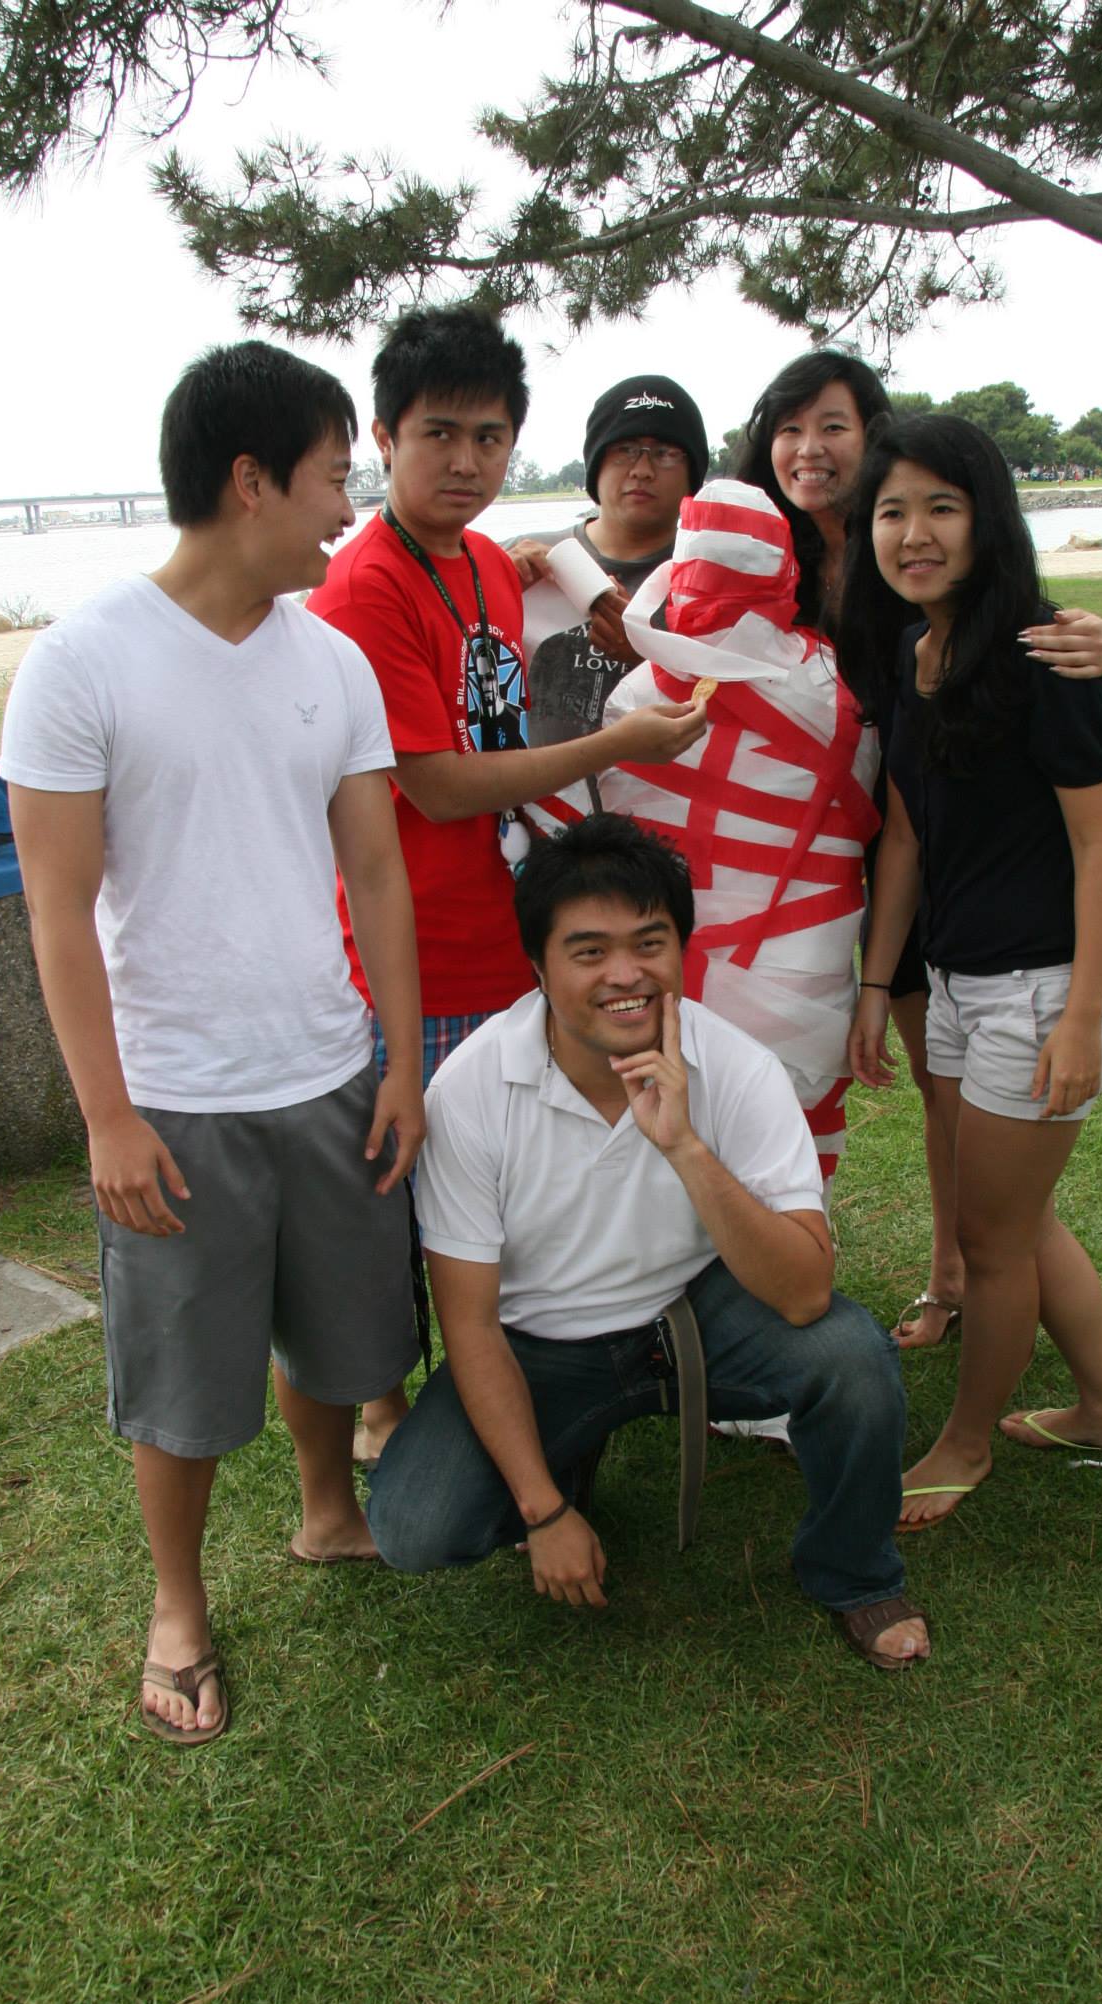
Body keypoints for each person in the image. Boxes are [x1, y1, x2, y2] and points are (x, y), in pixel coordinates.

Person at [0, 340, 426, 1744]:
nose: (347, 509)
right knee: (181, 1381)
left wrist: (401, 1063)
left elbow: (376, 872)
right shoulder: (81, 664)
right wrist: (107, 1117)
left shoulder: (331, 660)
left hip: (329, 1068)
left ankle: (326, 1510)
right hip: (175, 1096)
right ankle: (177, 1606)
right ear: (251, 481)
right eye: (331, 479)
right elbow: (59, 914)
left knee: (340, 1333)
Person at [368, 813, 930, 1671]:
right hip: (540, 1343)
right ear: (538, 965)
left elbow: (805, 1293)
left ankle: (855, 1572)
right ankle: (563, 1465)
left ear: (681, 951)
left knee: (852, 1359)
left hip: (695, 1310)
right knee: (414, 1525)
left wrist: (683, 1146)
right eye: (589, 951)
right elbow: (471, 1326)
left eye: (650, 944)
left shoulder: (735, 1066)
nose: (625, 974)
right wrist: (543, 1512)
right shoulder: (472, 1089)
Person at [309, 311, 708, 1462]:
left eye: (490, 437)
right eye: (438, 434)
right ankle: (384, 1404)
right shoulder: (363, 588)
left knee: (507, 1189)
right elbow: (434, 784)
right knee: (400, 1198)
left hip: (510, 943)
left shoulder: (486, 560)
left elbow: (505, 626)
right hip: (417, 954)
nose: (466, 461)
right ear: (384, 437)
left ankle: (508, 1386)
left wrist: (542, 562)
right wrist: (615, 742)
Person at [736, 350, 1102, 1350]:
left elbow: (1014, 629)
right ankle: (980, 1264)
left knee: (955, 1096)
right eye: (788, 426)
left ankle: (965, 1271)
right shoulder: (758, 553)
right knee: (923, 1073)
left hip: (946, 875)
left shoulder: (925, 583)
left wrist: (1092, 633)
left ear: (870, 435)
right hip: (827, 867)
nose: (808, 448)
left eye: (832, 424)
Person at [842, 413, 1102, 1529]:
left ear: (987, 520)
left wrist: (1079, 1016)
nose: (914, 533)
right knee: (1020, 1221)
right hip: (960, 986)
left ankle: (965, 1444)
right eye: (892, 511)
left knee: (993, 1241)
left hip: (1040, 990)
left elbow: (1099, 846)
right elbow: (905, 839)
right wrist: (875, 985)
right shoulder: (912, 653)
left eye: (942, 506)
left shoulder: (1047, 656)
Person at [509, 374, 709, 769]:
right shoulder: (519, 557)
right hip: (530, 796)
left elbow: (742, 711)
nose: (643, 469)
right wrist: (485, 582)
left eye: (666, 453)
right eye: (625, 450)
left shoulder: (712, 579)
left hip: (662, 801)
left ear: (693, 473)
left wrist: (648, 653)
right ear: (596, 465)